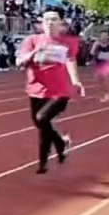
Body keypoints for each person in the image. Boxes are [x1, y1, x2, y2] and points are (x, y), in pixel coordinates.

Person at [17, 10, 84, 175]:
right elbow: (19, 61)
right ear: (41, 23)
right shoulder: (32, 40)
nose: (50, 22)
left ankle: (45, 159)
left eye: (54, 19)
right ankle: (58, 146)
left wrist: (75, 81)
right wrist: (34, 53)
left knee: (42, 118)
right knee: (41, 125)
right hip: (36, 90)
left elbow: (71, 61)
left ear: (61, 24)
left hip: (60, 91)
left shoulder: (68, 42)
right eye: (46, 19)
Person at [90, 30, 109, 103]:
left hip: (107, 63)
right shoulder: (97, 43)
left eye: (105, 36)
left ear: (107, 37)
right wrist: (97, 51)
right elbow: (91, 52)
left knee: (106, 78)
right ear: (100, 37)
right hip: (99, 63)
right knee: (99, 80)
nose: (104, 37)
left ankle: (107, 94)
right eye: (102, 36)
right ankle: (102, 93)